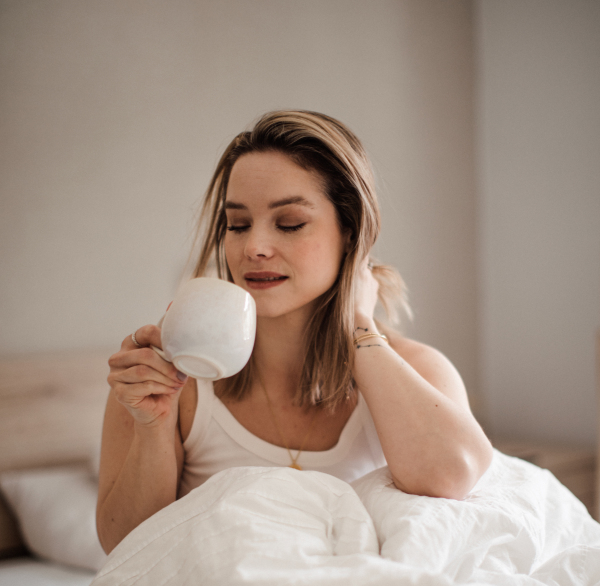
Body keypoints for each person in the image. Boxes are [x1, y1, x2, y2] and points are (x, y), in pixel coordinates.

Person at [97, 111, 493, 554]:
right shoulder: (168, 382)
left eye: (289, 224)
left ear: (350, 233)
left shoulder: (415, 369)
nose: (254, 248)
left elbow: (451, 476)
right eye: (238, 225)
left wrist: (359, 325)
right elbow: (124, 553)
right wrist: (153, 425)